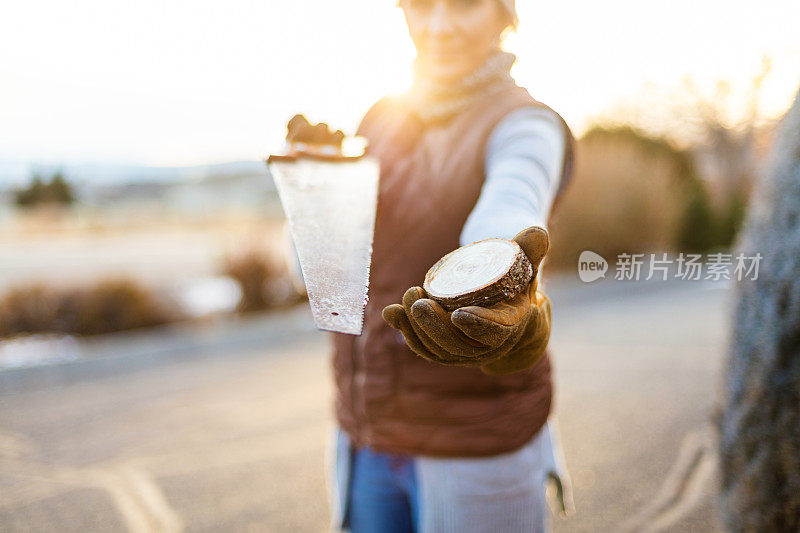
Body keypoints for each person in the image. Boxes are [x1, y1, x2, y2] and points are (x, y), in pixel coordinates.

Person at [324, 0, 577, 531]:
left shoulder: (528, 124)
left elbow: (513, 197)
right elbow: (329, 267)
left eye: (464, 3)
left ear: (503, 14)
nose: (439, 25)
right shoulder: (377, 118)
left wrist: (499, 273)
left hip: (474, 440)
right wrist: (310, 195)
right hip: (365, 434)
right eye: (421, 4)